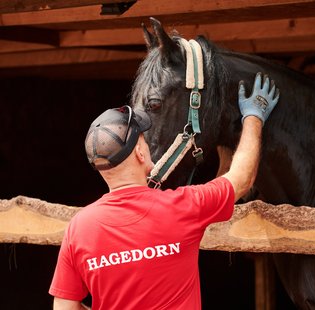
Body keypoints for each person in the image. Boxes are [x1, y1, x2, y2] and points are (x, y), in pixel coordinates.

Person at [49, 73, 280, 310]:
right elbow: (242, 179)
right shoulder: (182, 206)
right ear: (140, 153)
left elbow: (64, 307)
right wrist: (254, 116)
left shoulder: (79, 228)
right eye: (144, 140)